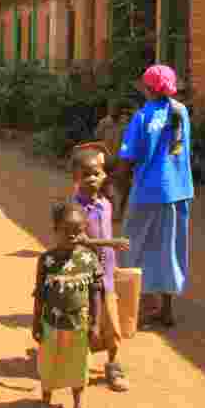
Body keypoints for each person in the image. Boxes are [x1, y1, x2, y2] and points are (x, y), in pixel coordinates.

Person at [117, 65, 193, 328]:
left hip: (148, 192)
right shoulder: (181, 112)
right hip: (179, 191)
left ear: (148, 89)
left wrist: (119, 198)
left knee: (135, 249)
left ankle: (141, 310)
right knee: (169, 248)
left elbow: (127, 161)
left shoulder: (142, 117)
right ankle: (167, 310)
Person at [32, 203, 102, 408]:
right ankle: (45, 402)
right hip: (51, 323)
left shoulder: (89, 259)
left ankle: (78, 404)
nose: (72, 235)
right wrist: (36, 322)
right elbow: (40, 295)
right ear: (55, 228)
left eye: (78, 230)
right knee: (49, 362)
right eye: (66, 229)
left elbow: (96, 293)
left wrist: (96, 323)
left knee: (79, 364)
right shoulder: (46, 260)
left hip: (79, 324)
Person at [69, 145, 131, 392]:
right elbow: (79, 240)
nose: (92, 178)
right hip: (83, 276)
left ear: (104, 175)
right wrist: (111, 243)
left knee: (112, 322)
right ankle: (77, 364)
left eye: (96, 173)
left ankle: (113, 363)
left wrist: (112, 260)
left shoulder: (105, 204)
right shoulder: (74, 209)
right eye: (86, 174)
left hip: (105, 275)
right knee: (84, 321)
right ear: (75, 178)